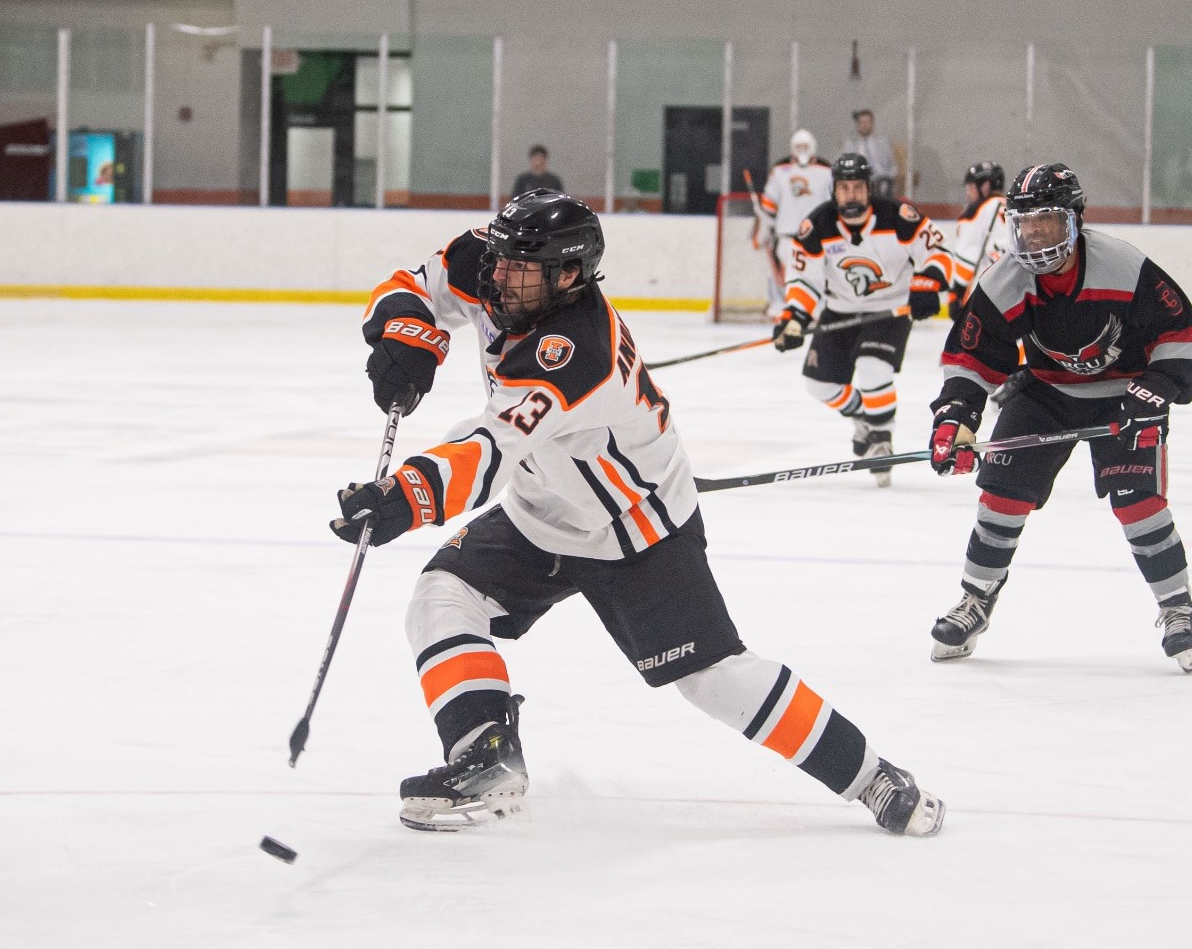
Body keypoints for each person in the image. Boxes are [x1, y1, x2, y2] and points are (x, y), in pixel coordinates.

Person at [343, 189, 944, 838]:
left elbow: (490, 445)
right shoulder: (491, 263)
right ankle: (483, 754)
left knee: (712, 680)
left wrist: (404, 496)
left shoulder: (575, 350)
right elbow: (417, 284)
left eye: (517, 267)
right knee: (441, 594)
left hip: (634, 528)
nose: (495, 276)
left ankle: (871, 775)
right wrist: (407, 336)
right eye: (498, 258)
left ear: (567, 275)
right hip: (540, 511)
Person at [925, 163, 1192, 672]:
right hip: (1048, 391)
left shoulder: (1123, 266)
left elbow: (1179, 336)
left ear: (1075, 220)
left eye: (1046, 222)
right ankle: (975, 600)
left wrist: (1155, 391)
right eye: (1025, 223)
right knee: (1000, 499)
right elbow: (973, 356)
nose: (1033, 235)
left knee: (1138, 502)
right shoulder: (1007, 278)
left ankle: (1177, 607)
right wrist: (956, 418)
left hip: (1126, 393)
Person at [773, 153, 952, 486]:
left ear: (869, 189)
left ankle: (881, 437)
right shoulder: (817, 226)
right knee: (819, 385)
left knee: (873, 368)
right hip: (840, 309)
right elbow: (803, 279)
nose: (851, 194)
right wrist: (794, 316)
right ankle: (864, 417)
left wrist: (927, 283)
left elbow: (937, 252)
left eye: (857, 187)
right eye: (844, 188)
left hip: (889, 310)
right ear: (834, 191)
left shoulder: (898, 216)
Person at [752, 129, 833, 320]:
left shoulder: (827, 172)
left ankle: (816, 309)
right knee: (786, 277)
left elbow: (833, 207)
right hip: (787, 236)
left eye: (805, 146)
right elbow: (769, 207)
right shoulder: (780, 172)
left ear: (813, 147)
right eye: (798, 146)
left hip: (817, 237)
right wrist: (764, 229)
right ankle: (782, 309)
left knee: (817, 276)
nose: (802, 150)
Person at [948, 161, 1008, 325]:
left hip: (986, 295)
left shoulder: (976, 210)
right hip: (1017, 292)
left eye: (971, 186)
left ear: (985, 186)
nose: (968, 192)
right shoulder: (1017, 208)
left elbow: (966, 260)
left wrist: (956, 293)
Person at [842, 109, 897, 198]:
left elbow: (892, 166)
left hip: (881, 183)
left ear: (872, 124)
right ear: (857, 125)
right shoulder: (851, 144)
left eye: (868, 122)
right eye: (862, 122)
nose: (865, 125)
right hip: (859, 185)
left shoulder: (882, 142)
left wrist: (889, 179)